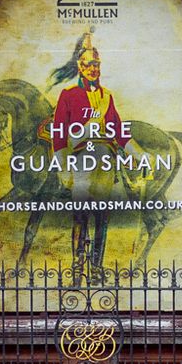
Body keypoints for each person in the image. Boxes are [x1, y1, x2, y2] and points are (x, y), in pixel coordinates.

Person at [48, 36, 131, 278]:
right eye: (87, 64)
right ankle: (77, 267)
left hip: (105, 161)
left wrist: (138, 153)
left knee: (102, 217)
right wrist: (64, 169)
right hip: (81, 159)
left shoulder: (107, 97)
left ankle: (96, 268)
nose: (93, 69)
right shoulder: (69, 94)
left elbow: (119, 131)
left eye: (96, 64)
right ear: (80, 67)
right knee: (81, 215)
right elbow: (60, 133)